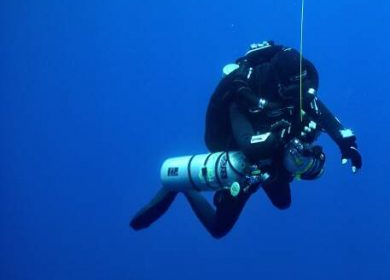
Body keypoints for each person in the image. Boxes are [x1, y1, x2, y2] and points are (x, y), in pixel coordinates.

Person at [130, 41, 362, 238]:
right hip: (246, 161)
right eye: (290, 94)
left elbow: (327, 118)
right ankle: (183, 187)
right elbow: (248, 144)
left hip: (274, 157)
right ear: (277, 85)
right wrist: (277, 137)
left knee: (283, 203)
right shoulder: (242, 99)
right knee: (218, 229)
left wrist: (347, 144)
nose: (296, 100)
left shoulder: (298, 92)